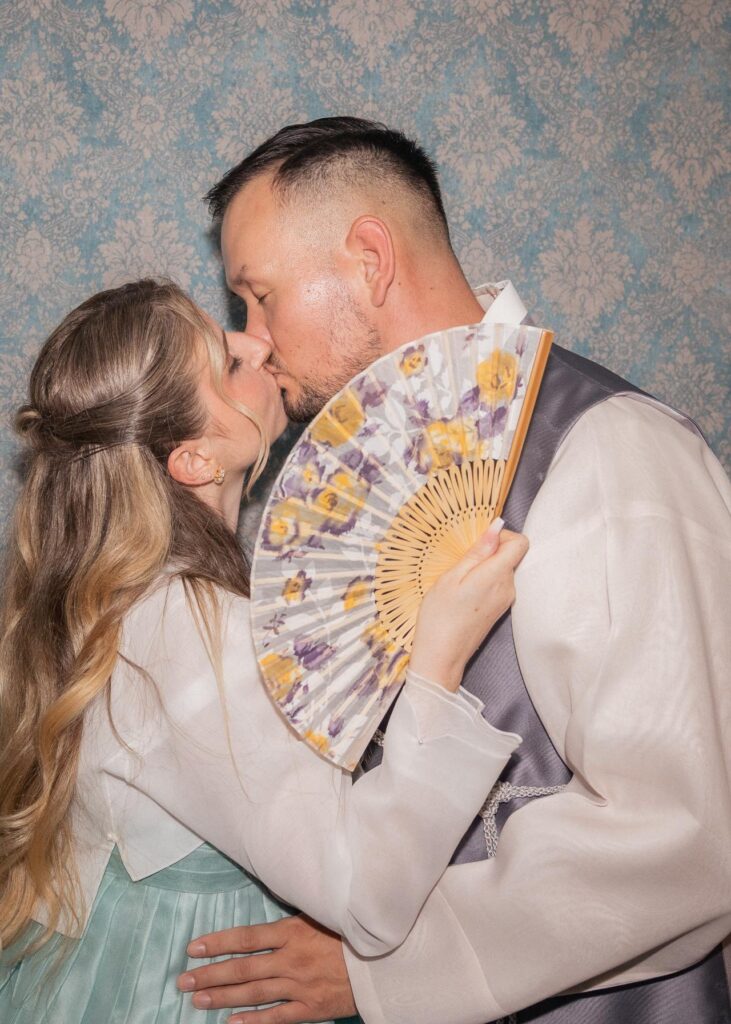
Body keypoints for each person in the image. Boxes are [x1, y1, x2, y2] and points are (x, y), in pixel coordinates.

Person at [178, 118, 731, 1023]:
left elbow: (685, 837)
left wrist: (381, 971)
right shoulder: (366, 478)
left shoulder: (608, 452)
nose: (254, 339)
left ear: (368, 258)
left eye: (262, 296)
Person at [0, 278, 532, 1022]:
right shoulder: (189, 626)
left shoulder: (109, 587)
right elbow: (367, 897)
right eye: (225, 363)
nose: (256, 342)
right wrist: (439, 661)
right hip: (188, 989)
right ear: (191, 461)